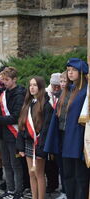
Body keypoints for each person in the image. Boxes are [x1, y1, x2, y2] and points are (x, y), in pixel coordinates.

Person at [44, 58, 90, 199]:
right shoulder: (67, 90)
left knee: (80, 176)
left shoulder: (86, 92)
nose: (70, 73)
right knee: (67, 174)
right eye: (68, 70)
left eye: (74, 70)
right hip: (63, 137)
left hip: (78, 139)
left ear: (81, 72)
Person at [0, 67, 25, 199]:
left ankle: (18, 191)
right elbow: (0, 110)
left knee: (15, 164)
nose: (4, 82)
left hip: (14, 134)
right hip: (3, 134)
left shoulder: (19, 94)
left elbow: (16, 116)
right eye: (3, 79)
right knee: (6, 163)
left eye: (7, 79)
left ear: (14, 79)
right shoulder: (3, 93)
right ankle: (10, 190)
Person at [16, 76, 53, 199]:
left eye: (35, 85)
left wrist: (42, 148)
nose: (32, 87)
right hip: (28, 142)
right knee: (31, 173)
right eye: (30, 85)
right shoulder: (27, 104)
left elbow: (46, 128)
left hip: (39, 143)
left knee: (39, 173)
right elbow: (21, 126)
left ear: (41, 87)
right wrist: (20, 146)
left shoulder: (46, 105)